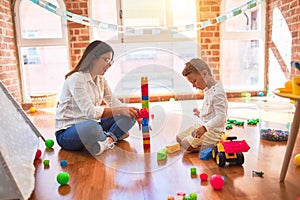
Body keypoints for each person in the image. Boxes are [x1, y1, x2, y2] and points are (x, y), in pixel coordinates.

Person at [55, 40, 139, 156]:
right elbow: (90, 112)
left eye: (110, 61)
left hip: (94, 124)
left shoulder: (101, 80)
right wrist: (121, 111)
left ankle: (108, 141)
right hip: (68, 132)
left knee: (129, 116)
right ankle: (113, 134)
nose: (109, 64)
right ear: (93, 58)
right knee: (92, 127)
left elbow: (114, 103)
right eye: (106, 59)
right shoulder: (76, 79)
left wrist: (134, 113)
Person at [176, 58, 228, 152]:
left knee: (186, 144)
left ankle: (212, 145)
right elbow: (210, 113)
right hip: (202, 125)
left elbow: (221, 116)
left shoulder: (218, 92)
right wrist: (200, 114)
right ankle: (201, 142)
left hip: (213, 131)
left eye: (194, 81)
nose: (193, 85)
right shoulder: (208, 89)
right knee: (179, 138)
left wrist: (205, 127)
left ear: (204, 73)